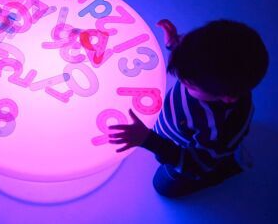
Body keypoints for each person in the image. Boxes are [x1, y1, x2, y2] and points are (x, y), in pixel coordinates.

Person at [109, 19, 269, 197]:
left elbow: (197, 166)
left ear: (227, 97)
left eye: (189, 85)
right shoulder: (203, 68)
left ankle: (229, 167)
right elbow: (195, 57)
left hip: (199, 160)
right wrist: (176, 46)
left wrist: (150, 141)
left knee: (163, 187)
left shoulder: (217, 128)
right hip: (179, 130)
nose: (180, 79)